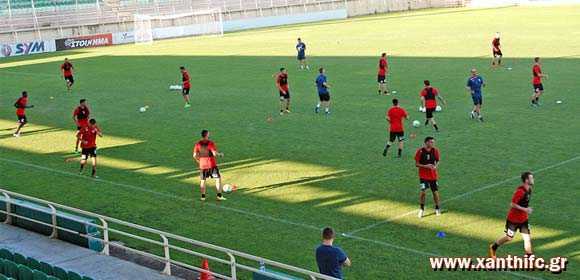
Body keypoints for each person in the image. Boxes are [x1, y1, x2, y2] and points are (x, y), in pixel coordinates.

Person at [489, 172, 535, 258]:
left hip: (523, 219)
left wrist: (526, 209)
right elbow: (512, 204)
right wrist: (525, 209)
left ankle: (529, 258)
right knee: (509, 238)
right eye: (531, 178)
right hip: (513, 220)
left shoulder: (529, 189)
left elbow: (524, 202)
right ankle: (493, 247)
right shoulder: (520, 192)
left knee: (527, 239)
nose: (533, 180)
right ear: (526, 180)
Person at [193, 130, 226, 201]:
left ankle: (203, 197)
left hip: (202, 165)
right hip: (211, 164)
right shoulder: (210, 143)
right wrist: (220, 154)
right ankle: (219, 196)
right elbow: (214, 153)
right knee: (218, 178)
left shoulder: (197, 144)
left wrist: (199, 161)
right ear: (207, 135)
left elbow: (194, 155)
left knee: (203, 180)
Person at [415, 137, 441, 218]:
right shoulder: (420, 151)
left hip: (433, 176)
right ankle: (421, 209)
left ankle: (437, 208)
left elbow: (438, 160)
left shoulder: (435, 150)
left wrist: (435, 166)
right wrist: (426, 166)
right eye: (431, 142)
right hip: (423, 175)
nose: (432, 144)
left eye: (433, 142)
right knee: (423, 192)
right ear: (426, 142)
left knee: (435, 192)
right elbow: (416, 164)